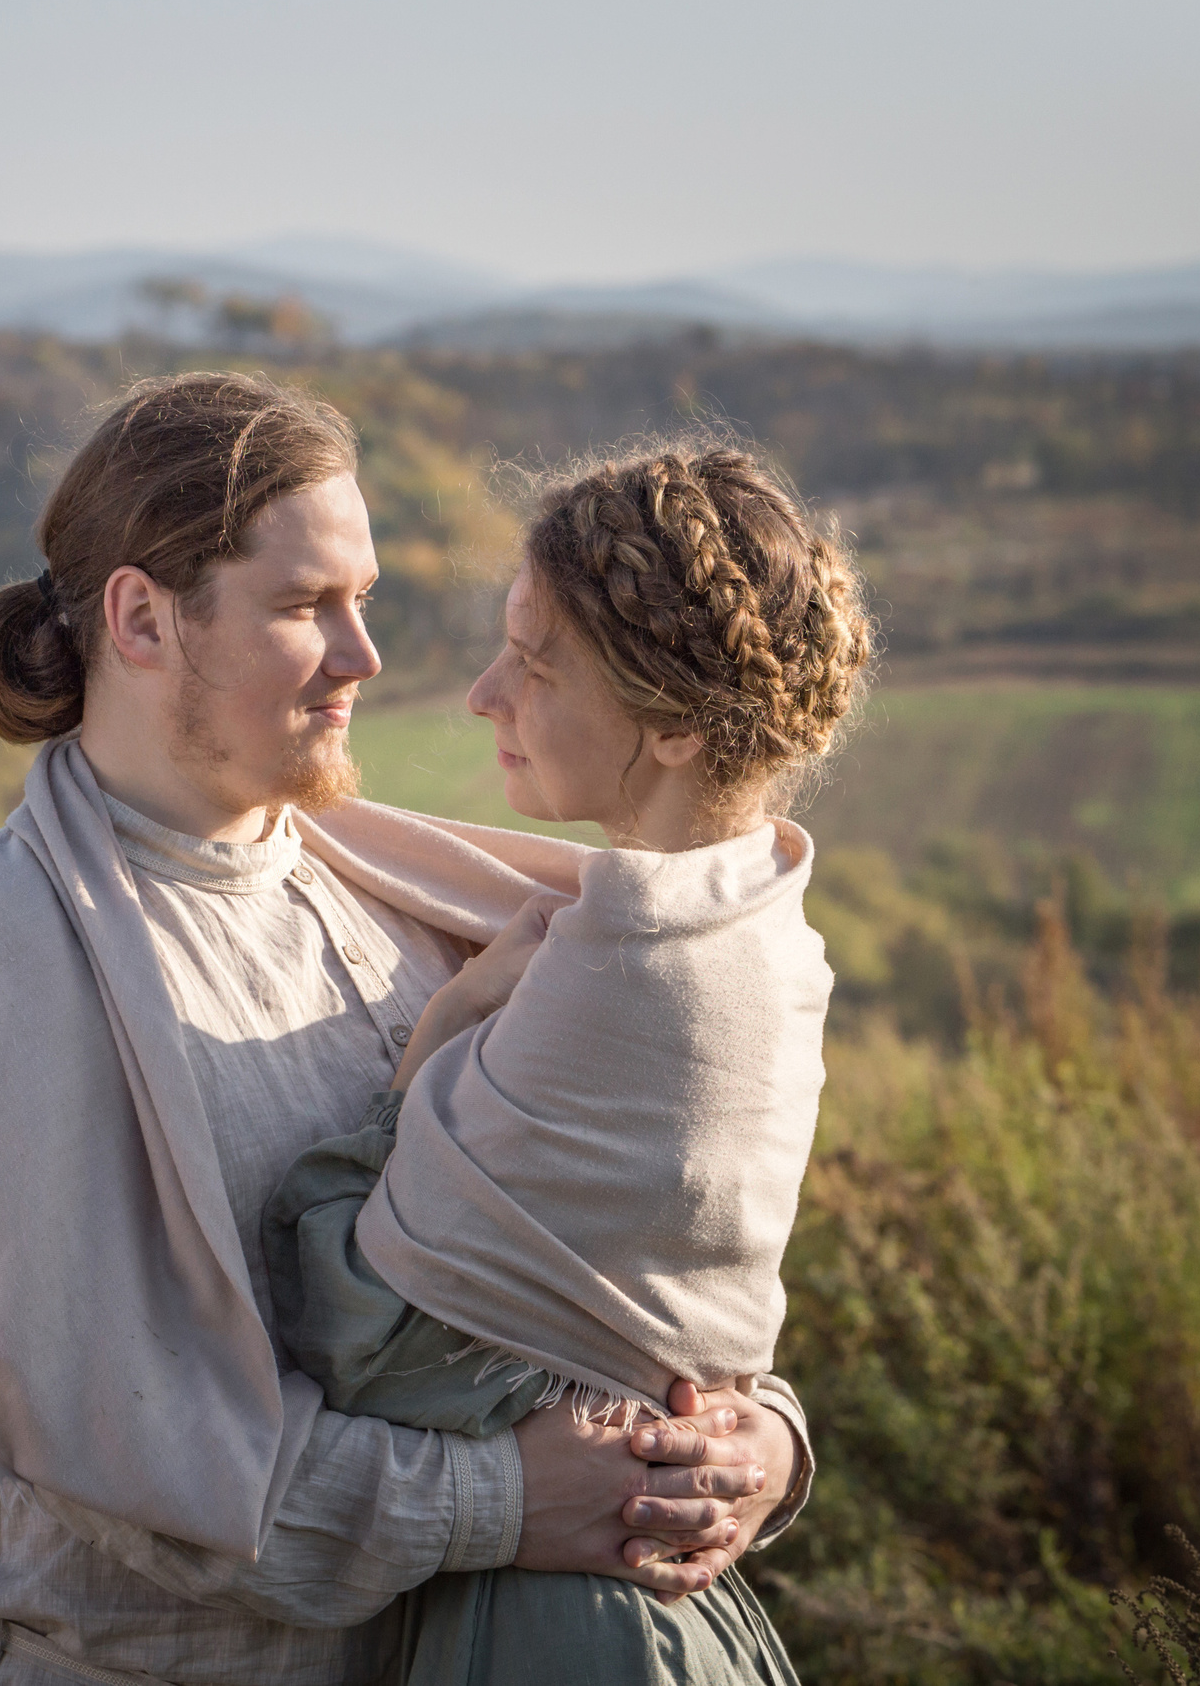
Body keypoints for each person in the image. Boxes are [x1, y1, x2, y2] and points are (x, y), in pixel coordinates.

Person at [0, 374, 814, 1686]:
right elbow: (130, 1460)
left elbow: (595, 1275)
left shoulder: (433, 907)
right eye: (308, 606)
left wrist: (745, 1444)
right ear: (141, 617)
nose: (365, 654)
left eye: (363, 598)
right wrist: (496, 1500)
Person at [264, 439, 871, 1683]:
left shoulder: (623, 969)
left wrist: (433, 1043)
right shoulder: (766, 922)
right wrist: (767, 1437)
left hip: (575, 1634)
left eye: (536, 665)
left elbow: (359, 1330)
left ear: (676, 729)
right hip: (675, 1615)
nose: (485, 695)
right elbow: (680, 1327)